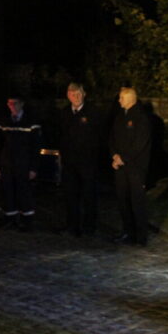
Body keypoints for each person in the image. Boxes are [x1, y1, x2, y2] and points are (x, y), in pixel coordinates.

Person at [57, 82, 103, 237]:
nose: (75, 97)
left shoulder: (93, 112)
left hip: (88, 163)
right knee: (70, 195)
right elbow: (61, 136)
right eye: (72, 94)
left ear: (84, 94)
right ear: (68, 95)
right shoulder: (64, 113)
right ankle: (72, 226)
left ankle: (89, 228)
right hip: (69, 163)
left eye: (78, 94)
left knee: (89, 196)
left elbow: (99, 137)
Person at [0, 93, 42, 231]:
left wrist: (33, 167)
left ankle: (27, 221)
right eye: (9, 104)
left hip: (23, 164)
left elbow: (35, 146)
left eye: (14, 103)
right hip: (6, 163)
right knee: (8, 192)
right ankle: (10, 219)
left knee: (23, 192)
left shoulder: (31, 121)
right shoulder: (4, 121)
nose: (12, 106)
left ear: (22, 104)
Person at [110, 85, 152, 246]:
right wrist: (114, 155)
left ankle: (140, 236)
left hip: (135, 168)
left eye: (121, 97)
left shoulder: (141, 118)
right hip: (120, 167)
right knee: (123, 201)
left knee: (137, 202)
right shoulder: (120, 116)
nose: (119, 100)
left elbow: (139, 145)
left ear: (130, 99)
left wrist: (123, 158)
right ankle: (127, 232)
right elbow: (112, 138)